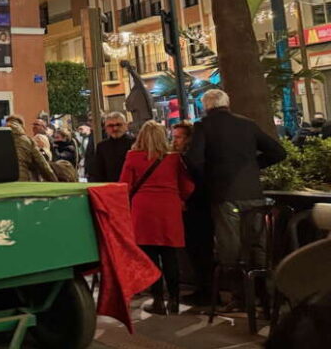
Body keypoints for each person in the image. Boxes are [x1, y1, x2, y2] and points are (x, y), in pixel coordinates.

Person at [185, 89, 287, 311]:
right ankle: (265, 295)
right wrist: (252, 167)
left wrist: (210, 178)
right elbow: (278, 152)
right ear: (227, 103)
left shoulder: (203, 126)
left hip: (224, 195)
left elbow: (194, 160)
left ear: (206, 106)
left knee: (230, 247)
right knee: (258, 245)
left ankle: (240, 298)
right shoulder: (248, 124)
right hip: (254, 194)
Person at [118, 121, 195, 315]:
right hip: (169, 209)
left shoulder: (133, 156)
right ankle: (175, 300)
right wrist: (181, 199)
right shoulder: (174, 158)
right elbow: (187, 186)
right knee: (170, 255)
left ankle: (158, 300)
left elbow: (124, 185)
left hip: (143, 210)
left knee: (150, 257)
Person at [172, 121, 213, 305]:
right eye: (174, 137)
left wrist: (185, 200)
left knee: (200, 251)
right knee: (196, 252)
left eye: (178, 137)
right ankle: (203, 289)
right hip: (194, 208)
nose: (175, 141)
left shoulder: (191, 159)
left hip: (197, 209)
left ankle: (207, 291)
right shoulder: (187, 157)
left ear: (189, 139)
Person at [85, 112, 134, 182]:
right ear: (106, 128)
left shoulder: (135, 144)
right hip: (110, 188)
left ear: (126, 126)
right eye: (110, 126)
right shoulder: (102, 147)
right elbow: (97, 172)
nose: (115, 128)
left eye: (119, 125)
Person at [6, 115, 57, 182]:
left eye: (37, 125)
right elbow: (42, 164)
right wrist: (54, 180)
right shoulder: (28, 141)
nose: (34, 126)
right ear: (21, 126)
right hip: (22, 179)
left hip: (3, 181)